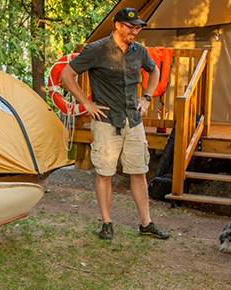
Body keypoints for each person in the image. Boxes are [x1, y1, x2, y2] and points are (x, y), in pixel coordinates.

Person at [59, 7, 167, 240]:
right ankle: (107, 223)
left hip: (134, 120)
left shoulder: (139, 51)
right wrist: (87, 104)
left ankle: (146, 223)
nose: (135, 32)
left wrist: (147, 97)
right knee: (105, 173)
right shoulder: (97, 49)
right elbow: (66, 75)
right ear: (117, 25)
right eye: (131, 27)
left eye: (138, 27)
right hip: (107, 121)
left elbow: (154, 71)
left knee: (139, 172)